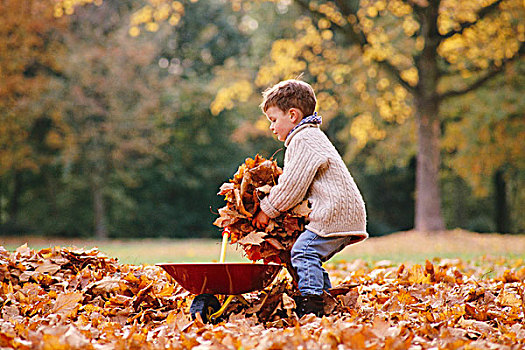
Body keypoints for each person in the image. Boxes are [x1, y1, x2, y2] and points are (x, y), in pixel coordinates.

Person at [253, 79, 368, 318]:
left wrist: (268, 209)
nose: (272, 127)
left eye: (274, 120)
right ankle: (327, 300)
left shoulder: (303, 139)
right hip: (342, 212)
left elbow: (293, 185)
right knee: (309, 255)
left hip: (334, 212)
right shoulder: (311, 136)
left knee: (303, 253)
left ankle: (311, 310)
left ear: (292, 115)